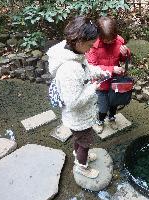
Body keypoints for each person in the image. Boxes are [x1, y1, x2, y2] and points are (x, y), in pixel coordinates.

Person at [47, 16, 108, 179]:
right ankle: (82, 166)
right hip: (78, 117)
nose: (90, 49)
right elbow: (73, 103)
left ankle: (78, 153)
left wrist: (101, 73)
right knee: (86, 143)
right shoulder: (69, 69)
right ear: (79, 41)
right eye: (89, 45)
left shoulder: (73, 52)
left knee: (79, 140)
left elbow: (87, 68)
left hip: (76, 117)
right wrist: (94, 86)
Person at [86, 16, 130, 134]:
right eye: (107, 40)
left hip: (114, 81)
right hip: (101, 82)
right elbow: (91, 67)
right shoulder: (93, 46)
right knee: (103, 106)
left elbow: (124, 58)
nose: (110, 42)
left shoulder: (119, 41)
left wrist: (126, 53)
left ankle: (112, 118)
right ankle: (100, 121)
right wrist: (112, 69)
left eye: (112, 39)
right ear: (99, 36)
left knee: (114, 103)